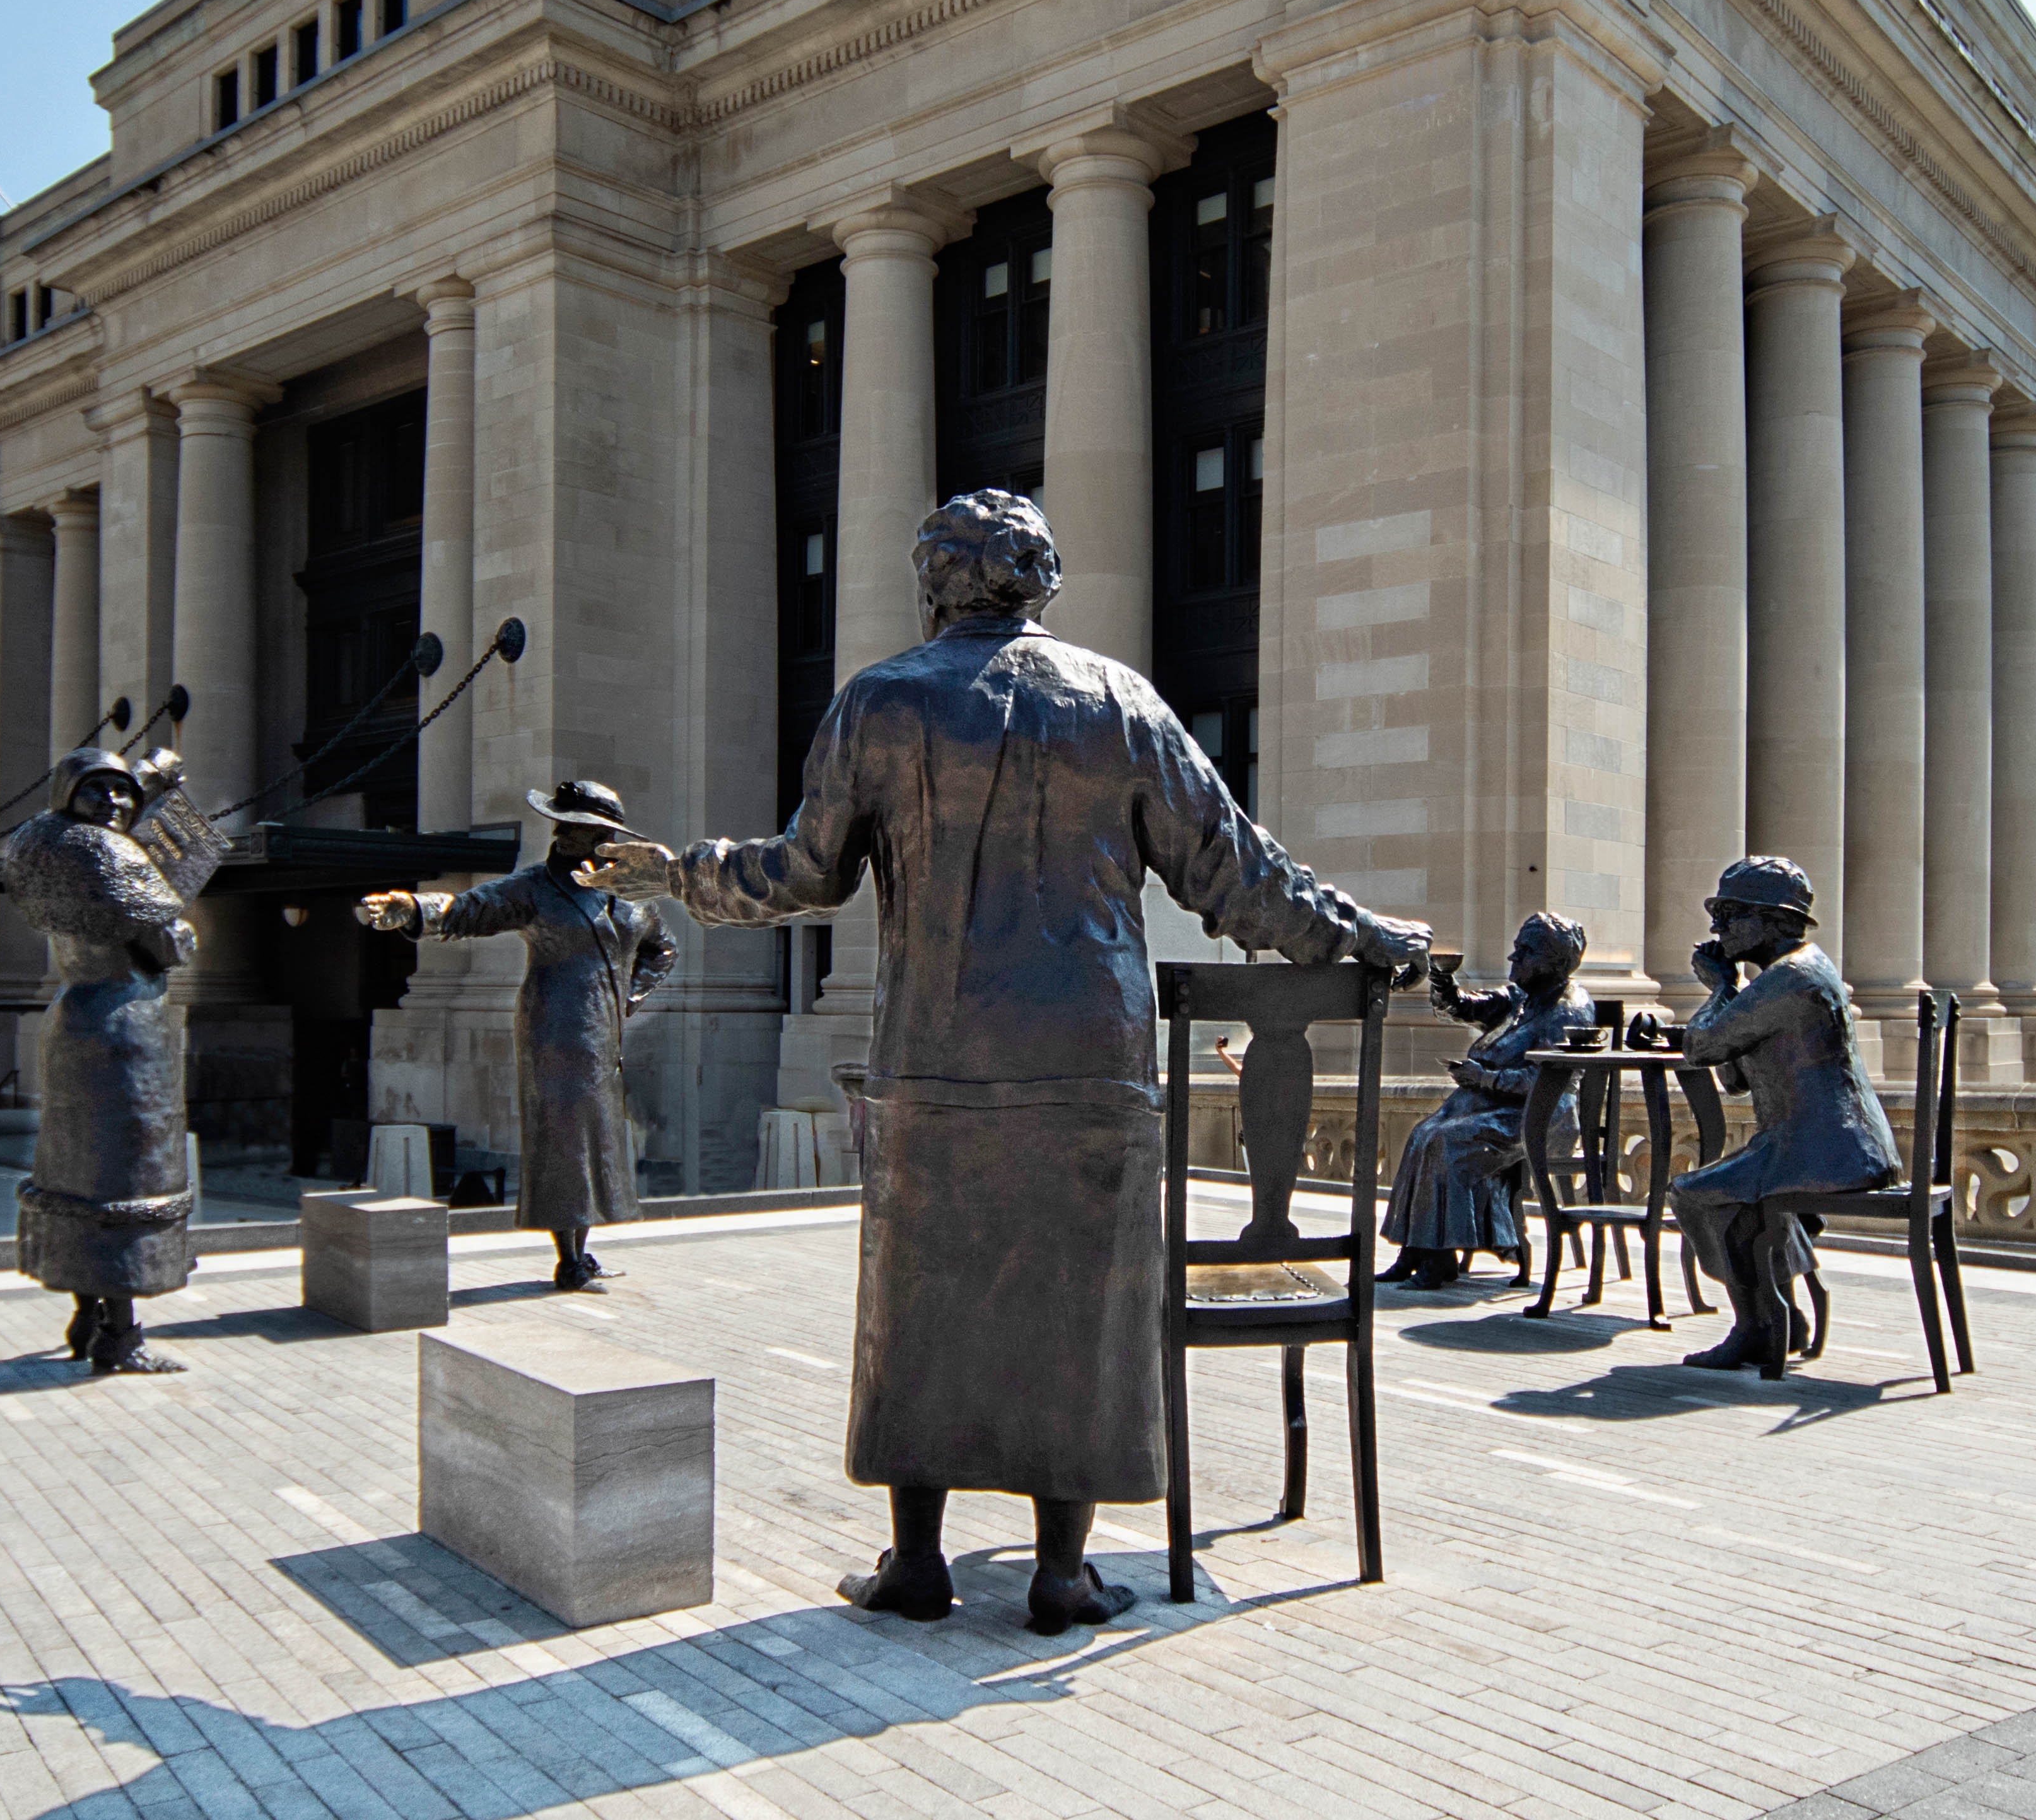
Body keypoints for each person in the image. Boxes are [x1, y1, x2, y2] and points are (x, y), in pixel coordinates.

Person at [592, 489, 1429, 1636]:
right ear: (1039, 581)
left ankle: (918, 1561)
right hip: (1087, 1058)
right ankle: (1059, 1574)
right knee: (1081, 1308)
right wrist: (1368, 937)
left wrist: (677, 873)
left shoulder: (879, 702)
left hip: (931, 1058)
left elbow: (801, 873)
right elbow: (1238, 875)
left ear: (935, 580)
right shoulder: (1117, 702)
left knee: (914, 1302)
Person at [360, 781, 676, 1290]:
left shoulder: (631, 894)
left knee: (596, 1140)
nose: (559, 830)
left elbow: (662, 950)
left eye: (572, 824)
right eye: (560, 822)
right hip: (553, 1030)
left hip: (603, 1037)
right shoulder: (535, 888)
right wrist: (416, 909)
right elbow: (474, 907)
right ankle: (568, 1259)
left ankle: (582, 1250)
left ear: (603, 835)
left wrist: (628, 1000)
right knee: (562, 1140)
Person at [4, 747, 198, 1375]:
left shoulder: (46, 849)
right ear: (72, 795)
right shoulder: (112, 854)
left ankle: (85, 1314)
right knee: (127, 1181)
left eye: (124, 792)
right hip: (128, 1027)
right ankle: (120, 1334)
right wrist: (184, 932)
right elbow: (166, 942)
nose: (115, 804)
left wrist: (153, 784)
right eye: (100, 792)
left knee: (77, 1175)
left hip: (74, 1018)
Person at [1667, 855, 1899, 1375]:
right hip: (1813, 1141)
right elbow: (1737, 1080)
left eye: (1729, 913)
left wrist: (1722, 987)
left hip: (1826, 1148)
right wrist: (1730, 999)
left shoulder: (1791, 977)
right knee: (1739, 1200)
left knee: (1694, 1193)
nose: (1716, 927)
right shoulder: (1790, 974)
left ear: (1772, 920)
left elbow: (1703, 1048)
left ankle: (1755, 1327)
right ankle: (1782, 1315)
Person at [1377, 913, 1592, 1288]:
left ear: (1555, 962)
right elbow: (1463, 1008)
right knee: (1421, 1135)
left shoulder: (1568, 1008)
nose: (1514, 959)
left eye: (1525, 953)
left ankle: (1439, 1259)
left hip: (1537, 1116)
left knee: (1446, 1143)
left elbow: (1549, 1079)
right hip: (1492, 1106)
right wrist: (1442, 979)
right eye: (1516, 950)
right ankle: (1415, 1251)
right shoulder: (1521, 996)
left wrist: (1485, 1077)